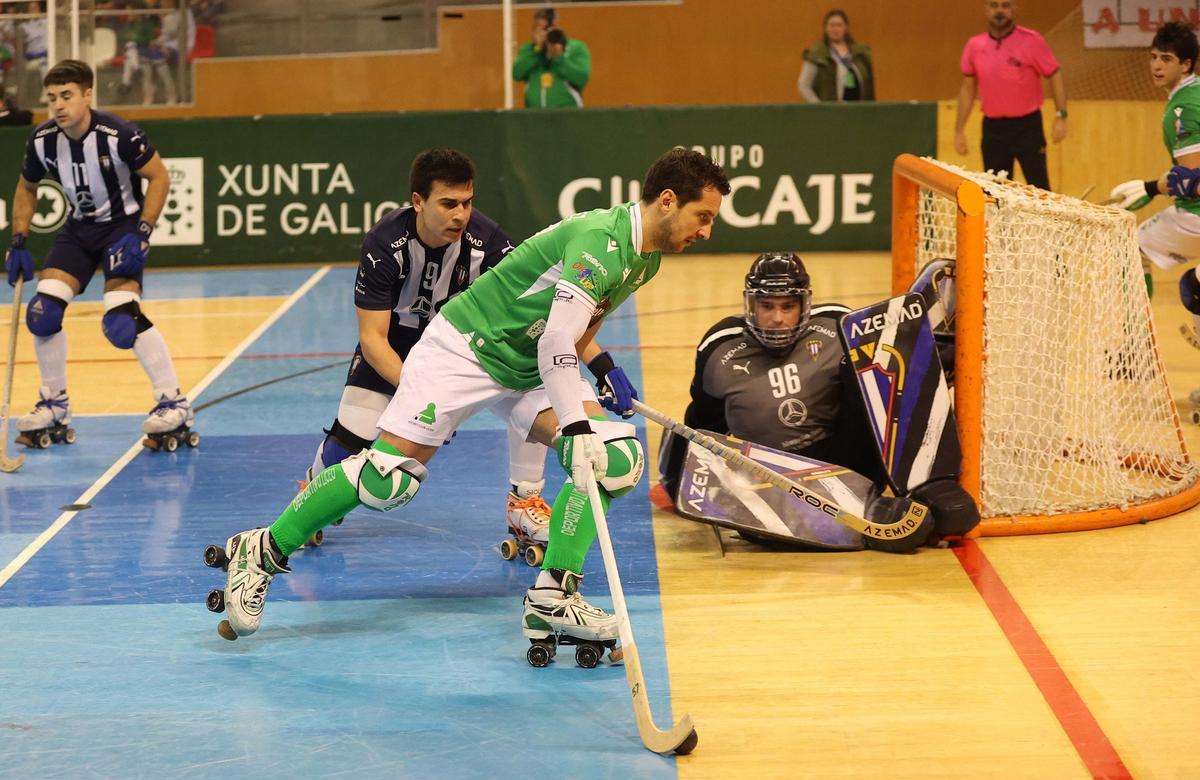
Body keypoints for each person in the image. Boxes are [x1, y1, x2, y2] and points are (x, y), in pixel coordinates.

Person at [209, 148, 731, 646]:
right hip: (463, 349)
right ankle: (262, 550)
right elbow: (554, 340)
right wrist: (575, 425)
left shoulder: (646, 259)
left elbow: (568, 333)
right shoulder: (602, 241)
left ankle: (551, 597)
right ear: (667, 200)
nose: (706, 231)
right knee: (387, 480)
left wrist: (603, 370)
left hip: (524, 366)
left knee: (614, 460)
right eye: (702, 216)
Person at [302, 147, 552, 557]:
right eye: (448, 204)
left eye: (468, 203)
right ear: (417, 202)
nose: (461, 215)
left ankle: (524, 502)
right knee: (348, 443)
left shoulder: (488, 243)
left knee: (533, 393)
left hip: (467, 350)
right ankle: (316, 485)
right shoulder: (384, 244)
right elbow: (373, 340)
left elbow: (531, 306)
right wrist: (423, 398)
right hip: (396, 347)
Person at [658, 252, 979, 546]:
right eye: (766, 306)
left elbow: (883, 399)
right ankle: (873, 513)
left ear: (805, 305)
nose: (777, 318)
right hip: (774, 479)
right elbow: (700, 427)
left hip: (847, 460)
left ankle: (924, 483)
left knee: (871, 363)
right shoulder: (719, 349)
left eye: (787, 306)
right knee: (912, 533)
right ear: (749, 305)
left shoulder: (838, 325)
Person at [4, 59, 192, 450]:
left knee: (121, 321)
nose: (58, 105)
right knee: (42, 313)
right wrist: (18, 239)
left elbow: (158, 177)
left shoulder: (119, 134)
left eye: (67, 96)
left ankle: (174, 403)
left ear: (88, 95)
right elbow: (26, 187)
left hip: (121, 229)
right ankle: (55, 404)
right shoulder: (42, 140)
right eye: (52, 97)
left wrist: (142, 233)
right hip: (78, 231)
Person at [1107, 22, 1200, 406]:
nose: (1156, 65)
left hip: (1195, 219)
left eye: (1167, 58)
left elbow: (1193, 181)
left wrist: (1152, 188)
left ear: (1187, 63)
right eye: (1153, 57)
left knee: (1124, 246)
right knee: (1195, 288)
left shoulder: (1183, 107)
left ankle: (1137, 350)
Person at [954, 0, 1066, 190]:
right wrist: (959, 130)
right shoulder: (974, 45)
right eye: (994, 5)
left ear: (1014, 10)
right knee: (996, 193)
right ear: (986, 10)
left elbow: (1054, 74)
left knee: (1039, 189)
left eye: (1005, 6)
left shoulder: (1032, 40)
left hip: (1028, 128)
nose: (1000, 11)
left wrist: (1061, 115)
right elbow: (967, 89)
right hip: (994, 130)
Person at [512, 7, 591, 109]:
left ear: (556, 24)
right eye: (537, 28)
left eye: (545, 28)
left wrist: (559, 57)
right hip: (534, 116)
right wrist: (536, 49)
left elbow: (581, 78)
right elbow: (517, 74)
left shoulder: (576, 47)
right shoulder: (529, 49)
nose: (542, 32)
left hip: (567, 115)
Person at [797, 9, 874, 103]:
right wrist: (818, 106)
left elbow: (869, 85)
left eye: (839, 25)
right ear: (826, 28)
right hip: (830, 113)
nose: (835, 29)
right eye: (832, 25)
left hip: (858, 111)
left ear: (846, 28)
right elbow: (804, 85)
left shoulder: (860, 53)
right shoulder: (816, 54)